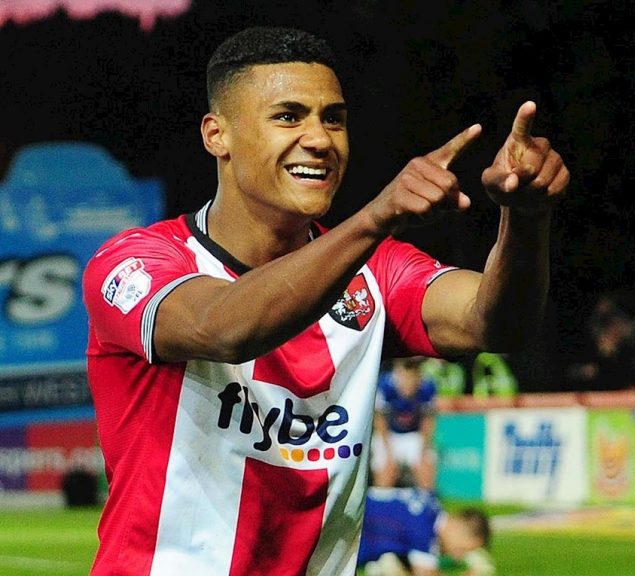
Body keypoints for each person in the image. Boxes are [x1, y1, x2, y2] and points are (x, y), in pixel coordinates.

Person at [82, 26, 568, 575]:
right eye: (288, 116)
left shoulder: (376, 272)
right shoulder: (136, 263)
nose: (320, 138)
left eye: (332, 118)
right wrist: (374, 217)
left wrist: (526, 219)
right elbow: (225, 327)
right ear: (218, 135)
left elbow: (495, 324)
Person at [358, 487, 493, 576]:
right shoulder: (424, 528)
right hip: (346, 531)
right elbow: (425, 573)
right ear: (457, 527)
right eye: (462, 549)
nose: (458, 557)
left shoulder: (431, 506)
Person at [372, 357, 438, 490]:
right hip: (389, 434)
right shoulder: (385, 385)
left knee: (425, 468)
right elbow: (380, 420)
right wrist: (389, 452)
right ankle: (381, 505)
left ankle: (426, 504)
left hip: (414, 434)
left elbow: (428, 420)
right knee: (386, 471)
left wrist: (423, 450)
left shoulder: (427, 386)